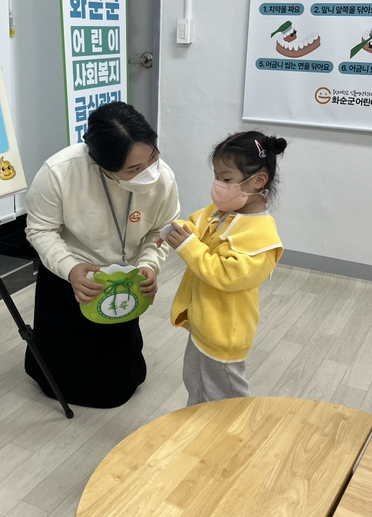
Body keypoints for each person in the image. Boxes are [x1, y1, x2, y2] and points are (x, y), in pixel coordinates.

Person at [23, 101, 180, 408]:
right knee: (59, 353)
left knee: (116, 371)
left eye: (153, 156)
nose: (149, 172)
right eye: (134, 169)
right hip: (70, 273)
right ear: (102, 165)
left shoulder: (163, 178)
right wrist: (70, 268)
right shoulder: (59, 172)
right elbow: (40, 229)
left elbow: (160, 230)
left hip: (125, 275)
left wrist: (149, 265)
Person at [160, 131, 286, 406]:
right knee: (195, 382)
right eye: (216, 177)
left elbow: (227, 275)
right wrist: (179, 229)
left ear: (259, 181)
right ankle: (199, 424)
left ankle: (231, 433)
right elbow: (197, 224)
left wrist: (190, 248)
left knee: (227, 400)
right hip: (204, 322)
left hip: (225, 332)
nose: (218, 185)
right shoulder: (220, 212)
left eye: (226, 179)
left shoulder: (262, 236)